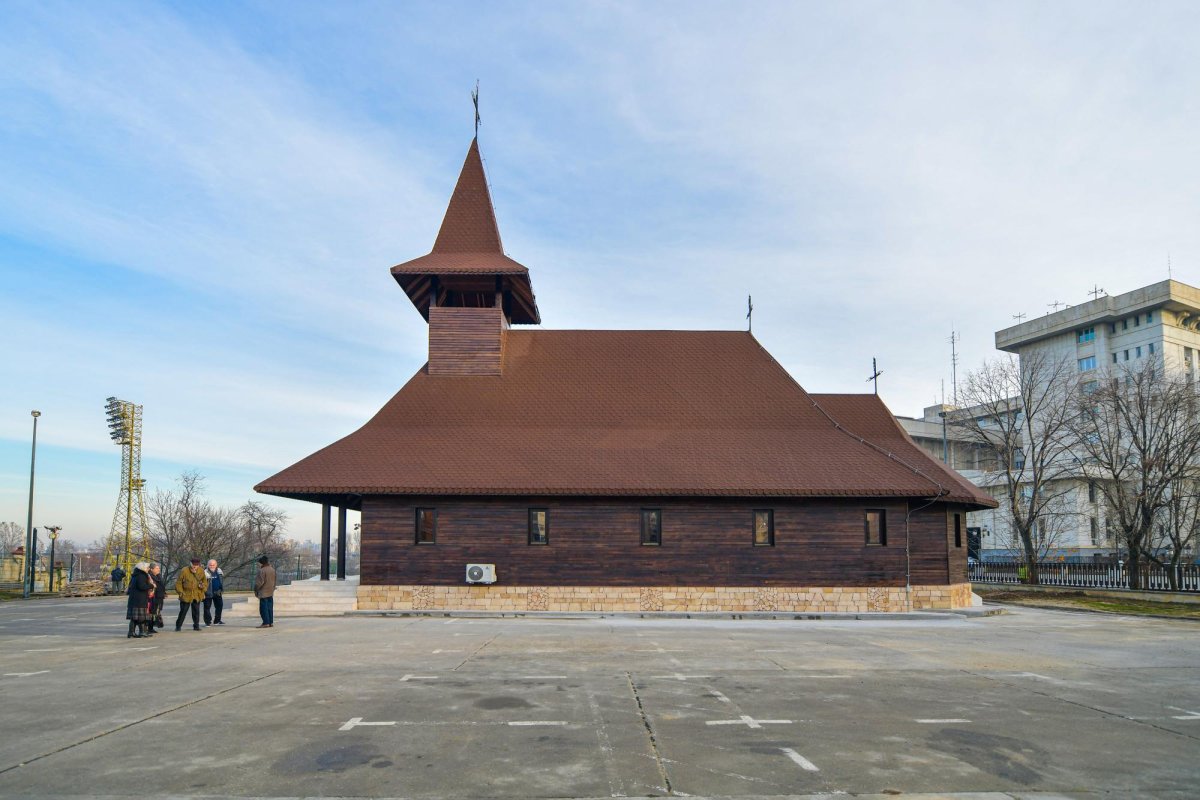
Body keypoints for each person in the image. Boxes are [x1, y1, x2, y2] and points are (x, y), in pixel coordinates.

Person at [174, 558, 208, 631]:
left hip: (197, 594)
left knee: (196, 611)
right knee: (183, 611)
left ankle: (196, 626)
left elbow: (205, 581)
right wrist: (180, 592)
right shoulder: (184, 570)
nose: (195, 566)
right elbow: (178, 583)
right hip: (186, 594)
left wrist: (203, 587)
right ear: (191, 564)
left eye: (197, 565)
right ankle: (178, 626)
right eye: (194, 565)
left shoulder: (201, 570)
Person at [125, 562, 152, 638]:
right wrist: (151, 585)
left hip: (134, 599)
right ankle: (141, 632)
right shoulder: (142, 575)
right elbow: (142, 586)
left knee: (134, 617)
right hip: (140, 599)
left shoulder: (135, 575)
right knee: (141, 617)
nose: (148, 569)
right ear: (142, 568)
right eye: (147, 568)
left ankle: (131, 632)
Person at [253, 555, 276, 629]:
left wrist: (256, 590)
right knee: (270, 608)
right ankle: (270, 622)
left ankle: (265, 622)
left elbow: (259, 583)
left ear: (261, 563)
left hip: (263, 592)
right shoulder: (272, 569)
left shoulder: (262, 571)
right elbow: (275, 581)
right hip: (270, 591)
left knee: (263, 609)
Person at [203, 558, 225, 626]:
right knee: (207, 608)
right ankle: (208, 622)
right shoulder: (204, 572)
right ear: (208, 565)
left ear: (216, 565)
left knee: (219, 606)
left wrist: (221, 589)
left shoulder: (219, 571)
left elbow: (221, 581)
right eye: (210, 565)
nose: (212, 566)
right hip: (208, 593)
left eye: (213, 565)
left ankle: (217, 621)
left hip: (217, 592)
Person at [149, 562, 166, 631]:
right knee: (152, 612)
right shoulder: (150, 576)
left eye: (159, 568)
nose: (158, 569)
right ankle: (149, 628)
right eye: (157, 568)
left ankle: (152, 627)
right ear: (152, 569)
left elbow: (161, 586)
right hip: (154, 597)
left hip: (159, 597)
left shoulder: (158, 576)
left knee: (156, 612)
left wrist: (164, 593)